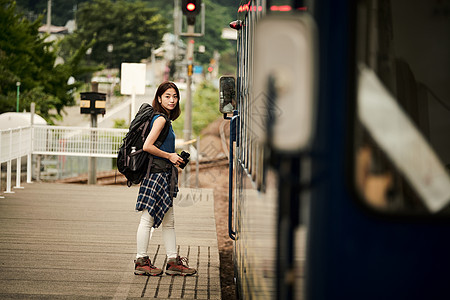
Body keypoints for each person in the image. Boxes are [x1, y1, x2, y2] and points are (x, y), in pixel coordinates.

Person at [134, 81, 196, 276]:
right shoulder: (160, 119)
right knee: (147, 219)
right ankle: (141, 260)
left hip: (164, 174)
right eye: (167, 96)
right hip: (157, 175)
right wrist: (170, 156)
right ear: (159, 98)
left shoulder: (165, 120)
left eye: (175, 96)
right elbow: (147, 146)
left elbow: (161, 147)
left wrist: (173, 157)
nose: (172, 100)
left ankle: (172, 260)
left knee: (169, 221)